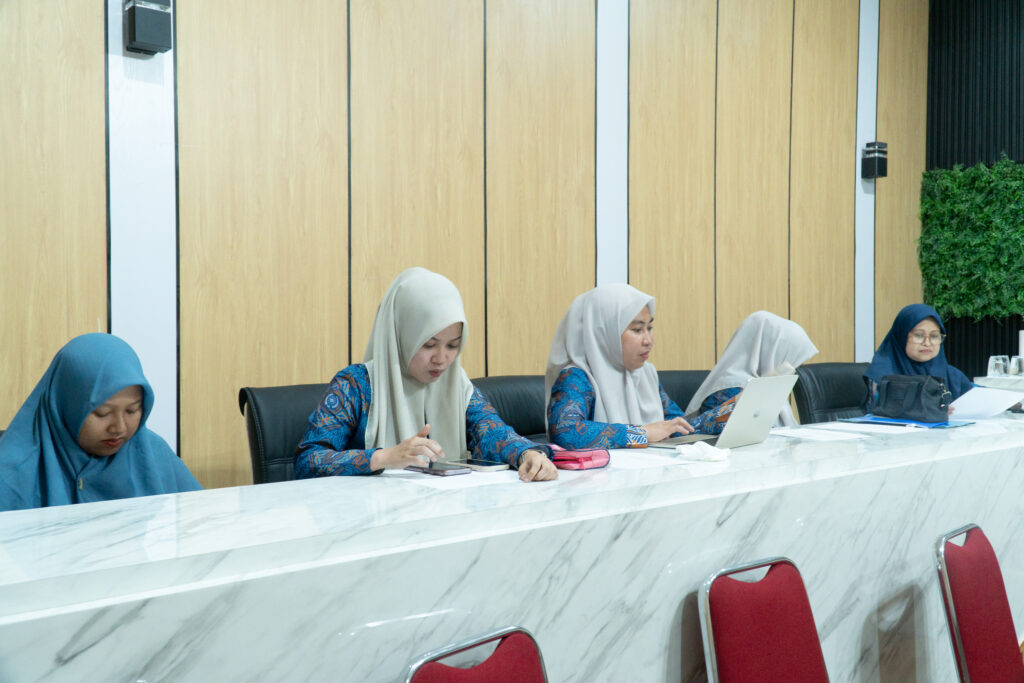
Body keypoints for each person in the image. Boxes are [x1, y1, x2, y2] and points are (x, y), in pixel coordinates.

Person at [295, 267, 557, 482]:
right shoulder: (356, 385)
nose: (441, 359)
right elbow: (308, 461)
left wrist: (528, 455)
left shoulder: (455, 383)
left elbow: (492, 431)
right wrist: (383, 457)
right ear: (400, 336)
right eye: (429, 344)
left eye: (453, 345)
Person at [0, 334, 202, 512]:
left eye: (132, 410)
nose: (119, 428)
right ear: (65, 405)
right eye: (102, 413)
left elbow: (201, 522)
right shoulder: (11, 472)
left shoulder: (152, 452)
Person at [545, 283, 694, 449]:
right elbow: (566, 432)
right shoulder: (577, 376)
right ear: (604, 332)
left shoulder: (645, 373)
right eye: (637, 329)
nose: (648, 341)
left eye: (649, 328)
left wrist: (716, 419)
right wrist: (641, 434)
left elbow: (678, 425)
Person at [685, 311, 818, 432]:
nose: (794, 370)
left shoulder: (765, 385)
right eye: (791, 360)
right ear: (771, 353)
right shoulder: (730, 389)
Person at [863, 303, 973, 411]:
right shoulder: (881, 376)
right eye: (919, 335)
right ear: (901, 337)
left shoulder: (954, 377)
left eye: (934, 336)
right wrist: (932, 413)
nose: (927, 343)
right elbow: (880, 411)